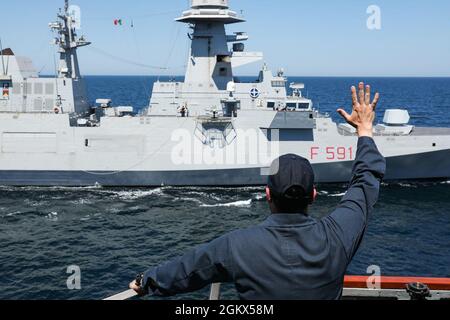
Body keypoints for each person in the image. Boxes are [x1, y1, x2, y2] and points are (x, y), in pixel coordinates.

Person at [130, 82, 386, 300]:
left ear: (267, 194)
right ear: (313, 195)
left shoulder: (237, 245)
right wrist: (364, 131)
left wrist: (147, 281)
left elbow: (186, 269)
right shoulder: (337, 236)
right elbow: (364, 186)